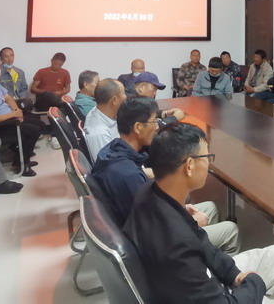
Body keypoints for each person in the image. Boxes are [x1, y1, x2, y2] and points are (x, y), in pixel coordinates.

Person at [124, 123, 274, 303]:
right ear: (189, 166)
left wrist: (234, 274)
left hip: (205, 282)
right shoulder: (177, 244)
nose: (209, 163)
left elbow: (201, 241)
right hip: (209, 293)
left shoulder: (151, 193)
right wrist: (254, 282)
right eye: (206, 157)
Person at [90, 99, 240, 254]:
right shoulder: (128, 175)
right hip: (153, 247)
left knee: (210, 208)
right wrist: (190, 222)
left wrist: (179, 209)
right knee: (231, 230)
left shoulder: (111, 150)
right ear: (138, 127)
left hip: (139, 228)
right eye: (154, 121)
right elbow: (153, 231)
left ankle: (205, 256)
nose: (157, 127)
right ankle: (203, 265)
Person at [84, 78, 126, 157]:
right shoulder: (100, 134)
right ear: (114, 100)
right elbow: (109, 163)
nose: (126, 97)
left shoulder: (98, 111)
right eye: (124, 93)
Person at [0, 47, 34, 113]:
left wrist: (21, 99)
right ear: (1, 59)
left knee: (29, 104)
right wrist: (10, 100)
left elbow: (24, 89)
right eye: (6, 56)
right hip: (6, 103)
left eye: (11, 55)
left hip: (20, 101)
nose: (10, 59)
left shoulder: (20, 72)